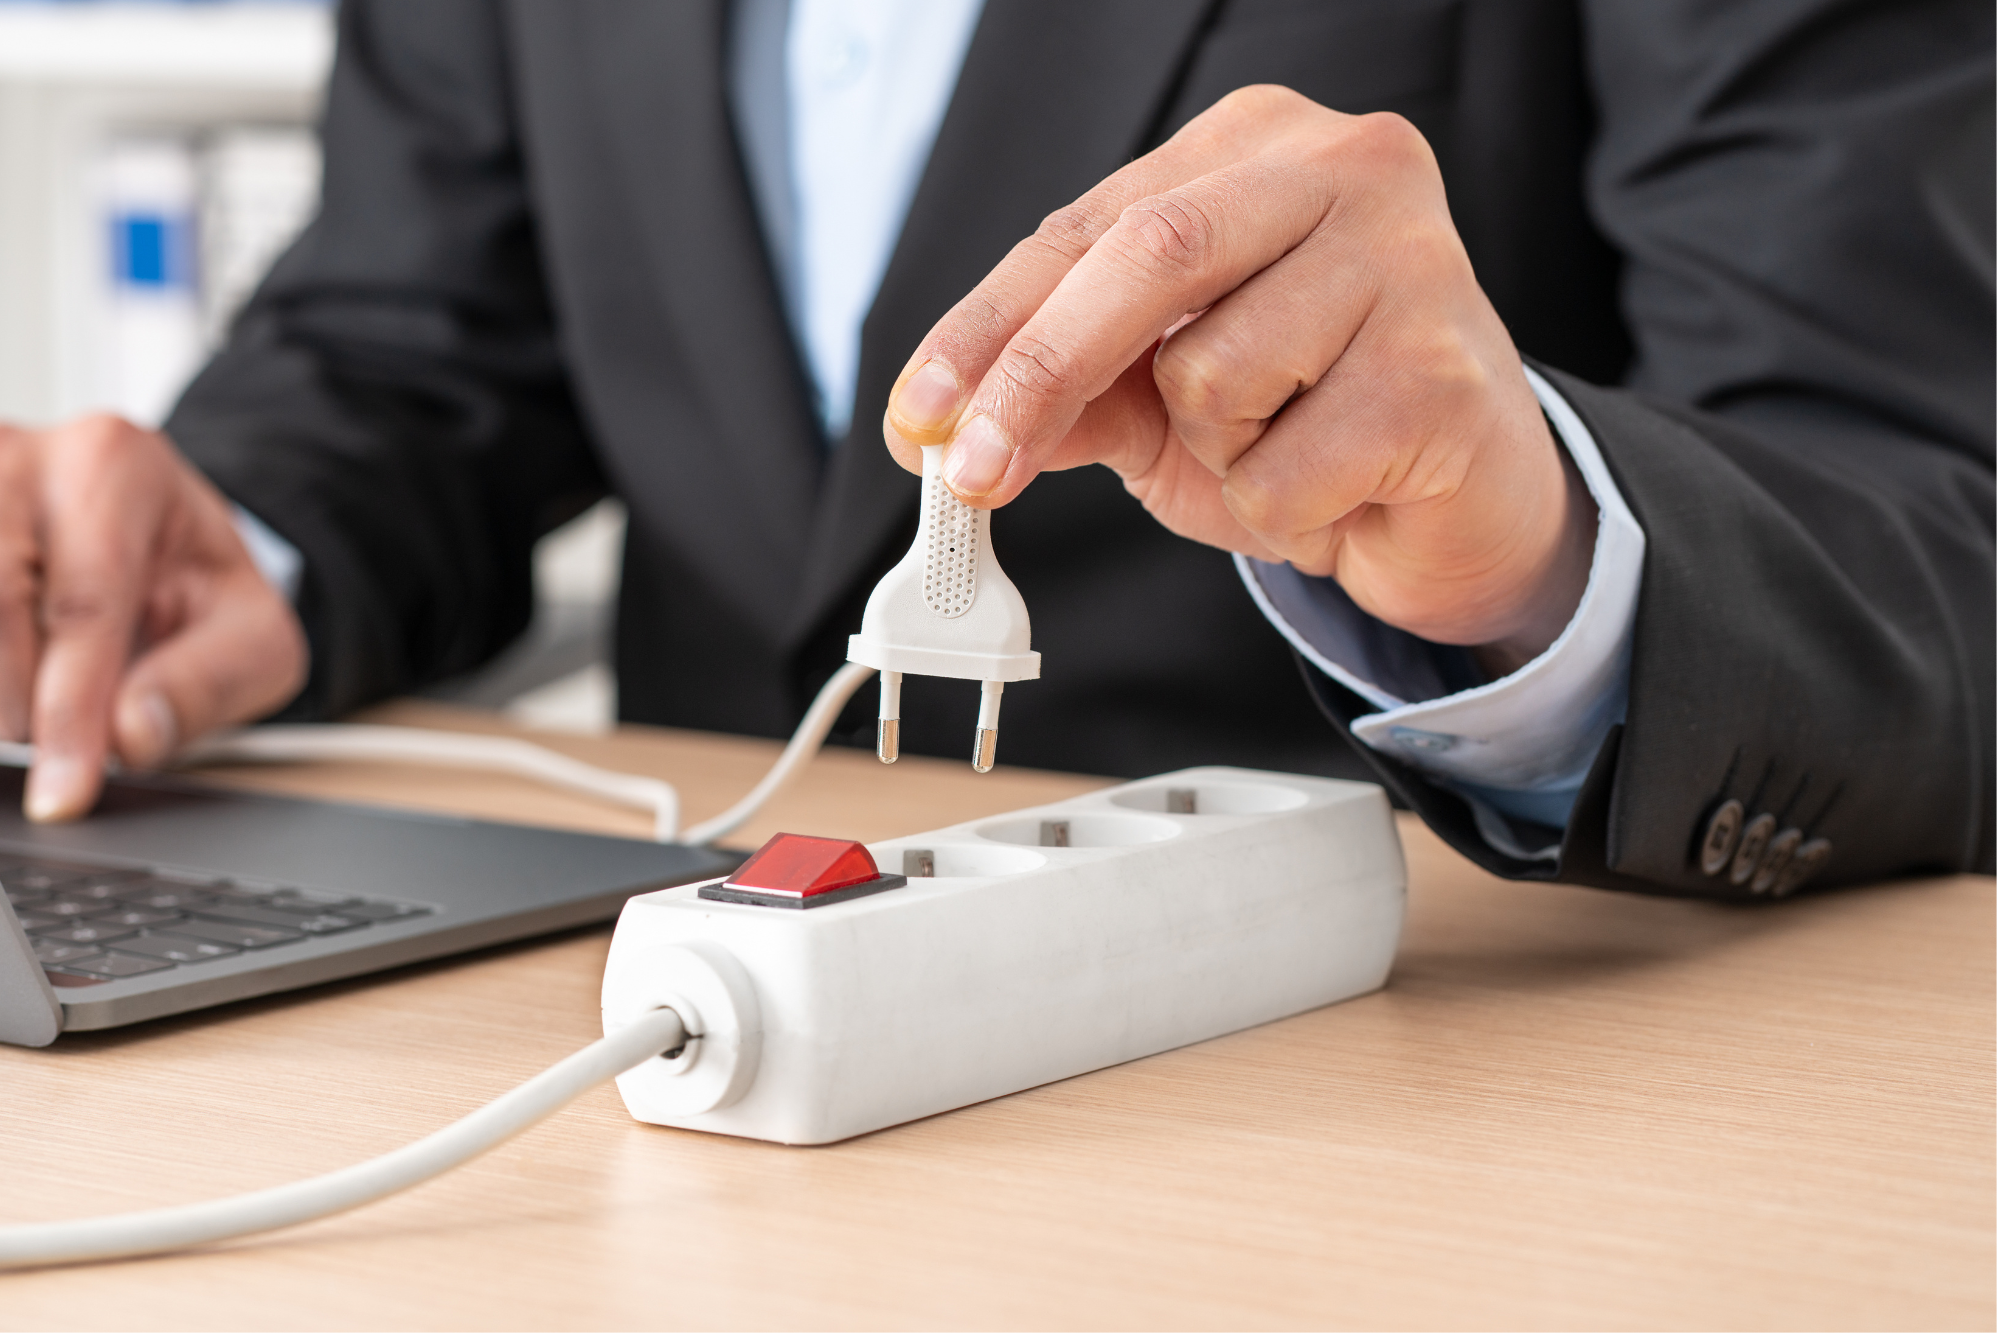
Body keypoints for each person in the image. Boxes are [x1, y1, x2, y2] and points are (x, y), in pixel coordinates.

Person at [0, 0, 1989, 898]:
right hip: (679, 1054)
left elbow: (1931, 530)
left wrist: (1530, 550)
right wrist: (224, 535)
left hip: (1398, 1096)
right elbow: (410, 336)